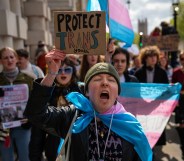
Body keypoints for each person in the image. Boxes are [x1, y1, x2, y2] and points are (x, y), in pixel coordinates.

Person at [24, 49, 152, 161]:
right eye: (97, 79)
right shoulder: (73, 116)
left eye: (111, 80)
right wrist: (51, 73)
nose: (105, 83)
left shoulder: (130, 124)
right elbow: (35, 114)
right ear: (86, 91)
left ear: (117, 92)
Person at [28, 57, 83, 161]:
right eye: (59, 70)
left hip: (77, 151)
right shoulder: (48, 94)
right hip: (53, 153)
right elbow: (38, 131)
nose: (63, 73)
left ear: (73, 72)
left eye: (67, 69)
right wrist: (35, 157)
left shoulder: (81, 93)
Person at [134, 46, 169, 157]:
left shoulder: (162, 72)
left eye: (155, 56)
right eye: (150, 56)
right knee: (144, 129)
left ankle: (151, 151)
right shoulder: (138, 72)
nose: (153, 58)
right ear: (145, 58)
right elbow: (135, 90)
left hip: (157, 108)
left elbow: (166, 90)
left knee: (154, 129)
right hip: (142, 108)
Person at [0, 47, 33, 161]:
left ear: (16, 59)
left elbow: (35, 103)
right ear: (1, 61)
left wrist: (30, 119)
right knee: (6, 158)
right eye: (5, 57)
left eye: (11, 57)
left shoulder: (28, 79)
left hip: (23, 126)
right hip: (3, 128)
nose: (9, 60)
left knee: (25, 157)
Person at [172, 51, 184, 159]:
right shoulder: (176, 73)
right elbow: (173, 88)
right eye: (183, 59)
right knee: (182, 126)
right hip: (181, 101)